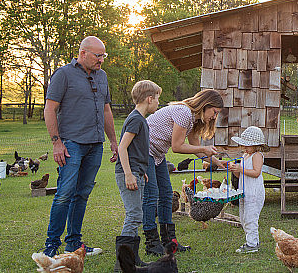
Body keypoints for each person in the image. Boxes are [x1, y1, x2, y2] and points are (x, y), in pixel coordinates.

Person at [42, 36, 119, 258]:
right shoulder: (63, 74)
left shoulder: (102, 76)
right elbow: (50, 109)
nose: (101, 60)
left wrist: (113, 140)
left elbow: (106, 111)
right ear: (83, 53)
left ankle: (74, 244)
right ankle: (51, 246)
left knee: (82, 194)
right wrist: (57, 142)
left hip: (95, 144)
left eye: (104, 56)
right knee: (65, 194)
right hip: (71, 144)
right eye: (98, 55)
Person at [142, 89, 227, 256]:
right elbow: (177, 146)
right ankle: (151, 243)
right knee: (152, 196)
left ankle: (169, 242)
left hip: (157, 154)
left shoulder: (194, 119)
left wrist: (218, 162)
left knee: (166, 195)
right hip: (144, 150)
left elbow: (196, 148)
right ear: (205, 105)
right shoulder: (184, 112)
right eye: (214, 112)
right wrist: (204, 147)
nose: (214, 117)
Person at [114, 80, 161, 270]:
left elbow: (136, 150)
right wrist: (129, 174)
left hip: (137, 173)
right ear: (149, 99)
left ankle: (132, 258)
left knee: (137, 215)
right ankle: (123, 264)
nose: (159, 103)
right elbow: (122, 147)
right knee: (133, 215)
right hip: (129, 173)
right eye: (158, 99)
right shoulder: (135, 119)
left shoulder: (141, 120)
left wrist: (141, 172)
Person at [229, 126, 266, 253]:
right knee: (244, 218)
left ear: (256, 145)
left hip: (254, 192)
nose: (244, 148)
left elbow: (256, 172)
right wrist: (235, 170)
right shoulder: (245, 155)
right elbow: (240, 175)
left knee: (251, 218)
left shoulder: (257, 155)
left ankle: (252, 244)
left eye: (247, 145)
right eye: (243, 145)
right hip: (244, 191)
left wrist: (240, 169)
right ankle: (251, 240)